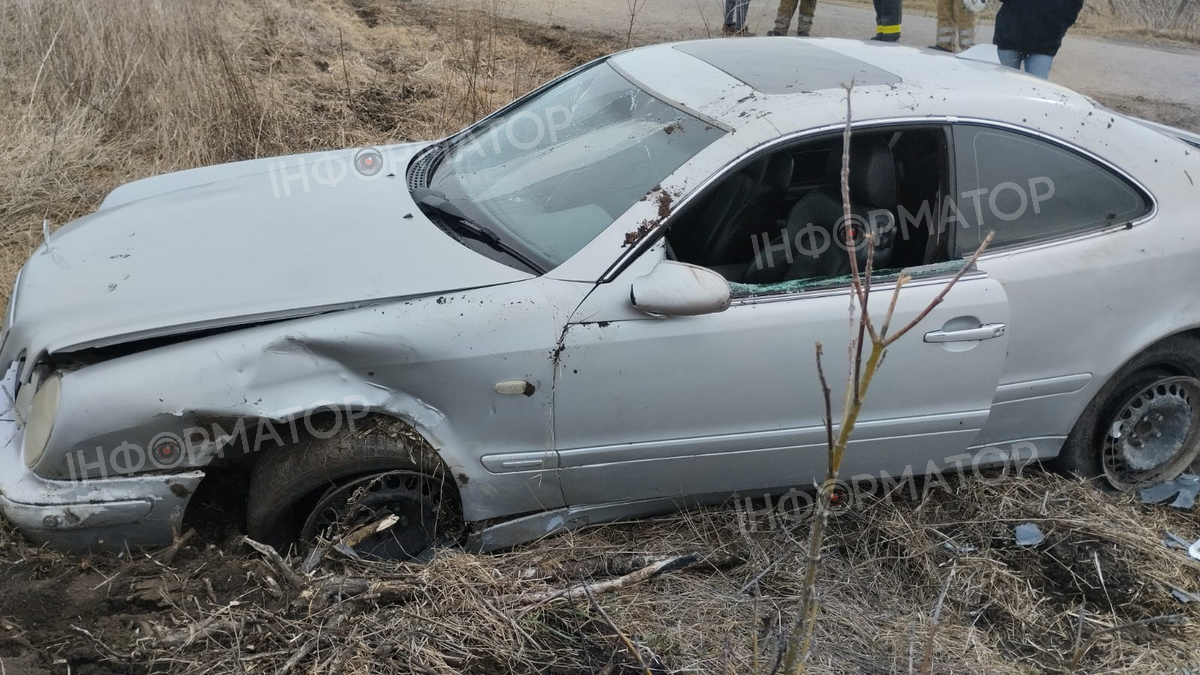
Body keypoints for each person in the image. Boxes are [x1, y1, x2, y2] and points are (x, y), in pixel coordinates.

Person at [993, 0, 1085, 79]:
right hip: (1009, 34)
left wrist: (1061, 22)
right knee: (1006, 87)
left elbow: (1074, 4)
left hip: (1045, 39)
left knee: (1036, 91)